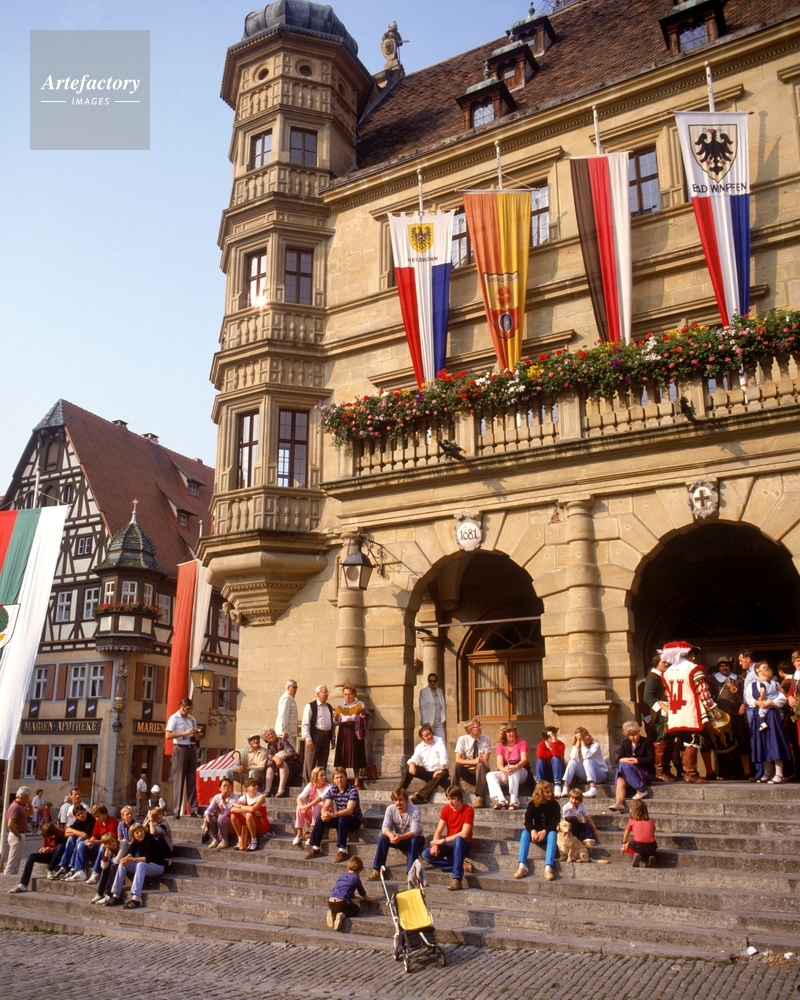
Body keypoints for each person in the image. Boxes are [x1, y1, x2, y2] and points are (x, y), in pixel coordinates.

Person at [662, 640, 718, 783]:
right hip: (691, 711)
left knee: (684, 741)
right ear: (685, 654)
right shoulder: (693, 669)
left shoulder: (667, 672)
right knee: (693, 741)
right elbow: (703, 691)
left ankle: (688, 773)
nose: (694, 657)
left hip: (676, 713)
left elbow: (668, 694)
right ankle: (691, 774)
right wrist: (712, 708)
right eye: (692, 654)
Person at [105, 810, 170, 908]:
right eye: (137, 832)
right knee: (123, 863)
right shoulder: (135, 841)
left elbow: (147, 858)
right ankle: (115, 895)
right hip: (147, 865)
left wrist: (132, 860)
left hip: (157, 866)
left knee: (140, 865)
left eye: (141, 831)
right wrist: (125, 859)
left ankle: (135, 899)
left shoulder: (149, 839)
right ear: (133, 835)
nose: (140, 833)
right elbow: (130, 853)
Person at [420, 784, 474, 891]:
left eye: (453, 798)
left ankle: (457, 879)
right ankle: (460, 866)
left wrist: (442, 841)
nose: (450, 802)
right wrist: (435, 844)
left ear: (460, 798)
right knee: (426, 854)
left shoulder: (468, 810)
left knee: (458, 839)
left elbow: (464, 834)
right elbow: (439, 831)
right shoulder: (446, 809)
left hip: (463, 843)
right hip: (450, 843)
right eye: (448, 799)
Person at [305, 766, 363, 862]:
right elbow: (326, 806)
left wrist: (332, 815)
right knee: (320, 817)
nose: (339, 780)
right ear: (334, 780)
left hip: (354, 819)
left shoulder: (352, 790)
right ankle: (316, 848)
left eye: (341, 777)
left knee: (343, 818)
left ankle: (342, 851)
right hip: (340, 818)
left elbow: (349, 810)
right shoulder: (333, 790)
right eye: (337, 778)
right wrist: (324, 813)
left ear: (346, 777)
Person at [366, 787, 425, 881]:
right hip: (399, 838)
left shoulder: (414, 810)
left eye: (400, 800)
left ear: (406, 800)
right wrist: (391, 836)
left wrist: (400, 837)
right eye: (395, 800)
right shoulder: (390, 809)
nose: (398, 803)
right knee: (383, 838)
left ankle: (411, 874)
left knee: (414, 840)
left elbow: (415, 831)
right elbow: (385, 828)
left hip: (416, 839)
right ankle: (377, 870)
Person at [746, 661, 790, 783]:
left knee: (774, 742)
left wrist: (771, 702)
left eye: (767, 667)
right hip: (759, 716)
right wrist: (757, 702)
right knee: (762, 743)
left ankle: (779, 774)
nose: (766, 669)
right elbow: (748, 699)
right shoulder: (751, 686)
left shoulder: (775, 684)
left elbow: (783, 698)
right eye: (763, 667)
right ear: (757, 670)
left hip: (772, 715)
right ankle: (767, 773)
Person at [709, 656, 752, 780]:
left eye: (727, 665)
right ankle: (722, 772)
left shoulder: (738, 679)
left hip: (737, 715)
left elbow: (745, 695)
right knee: (722, 744)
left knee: (742, 742)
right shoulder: (713, 680)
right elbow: (710, 696)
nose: (725, 667)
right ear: (718, 667)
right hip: (720, 716)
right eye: (722, 665)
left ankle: (747, 771)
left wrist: (744, 704)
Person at [515, 780, 560, 881]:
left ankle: (548, 868)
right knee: (524, 833)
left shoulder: (555, 805)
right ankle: (522, 866)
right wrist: (532, 830)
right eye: (547, 792)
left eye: (551, 791)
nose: (550, 794)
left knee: (553, 834)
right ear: (540, 792)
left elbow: (555, 822)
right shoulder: (532, 804)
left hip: (548, 833)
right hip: (535, 834)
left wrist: (545, 831)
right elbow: (527, 821)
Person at [166, 696, 202, 817]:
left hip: (191, 747)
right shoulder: (174, 718)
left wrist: (197, 734)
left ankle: (193, 809)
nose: (189, 711)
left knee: (192, 779)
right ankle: (176, 810)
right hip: (180, 748)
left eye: (191, 709)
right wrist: (185, 733)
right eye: (187, 709)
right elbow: (168, 735)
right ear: (181, 707)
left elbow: (195, 733)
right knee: (179, 779)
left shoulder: (192, 718)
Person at [642, 657, 677, 782]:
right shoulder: (653, 676)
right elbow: (648, 696)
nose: (666, 664)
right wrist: (660, 709)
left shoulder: (663, 675)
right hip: (661, 714)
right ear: (656, 663)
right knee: (661, 740)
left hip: (669, 712)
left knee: (669, 740)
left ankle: (666, 770)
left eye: (667, 662)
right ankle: (659, 772)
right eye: (663, 662)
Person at [608, 721, 655, 812]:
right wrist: (626, 760)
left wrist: (637, 761)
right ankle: (619, 803)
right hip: (630, 773)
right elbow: (618, 760)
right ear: (628, 736)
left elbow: (651, 760)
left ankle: (641, 790)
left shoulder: (647, 742)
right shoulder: (625, 743)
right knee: (620, 779)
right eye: (632, 735)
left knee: (623, 765)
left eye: (636, 734)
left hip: (645, 773)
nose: (635, 737)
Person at [8, 822, 66, 894]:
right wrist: (43, 850)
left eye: (50, 836)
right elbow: (45, 846)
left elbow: (63, 849)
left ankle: (50, 869)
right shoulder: (46, 835)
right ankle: (23, 884)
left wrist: (52, 850)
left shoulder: (61, 833)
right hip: (49, 856)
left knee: (60, 846)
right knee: (31, 857)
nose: (49, 838)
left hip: (58, 857)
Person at [399, 723, 449, 804]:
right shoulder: (420, 746)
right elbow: (414, 758)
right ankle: (400, 791)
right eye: (426, 735)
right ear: (421, 738)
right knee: (409, 768)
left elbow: (443, 756)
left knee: (440, 776)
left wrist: (441, 769)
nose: (429, 736)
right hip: (427, 772)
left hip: (441, 771)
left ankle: (419, 796)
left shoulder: (439, 740)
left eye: (430, 734)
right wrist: (411, 765)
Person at [66, 804, 117, 880]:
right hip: (99, 843)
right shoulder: (98, 822)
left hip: (110, 846)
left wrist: (95, 842)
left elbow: (111, 840)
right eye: (95, 817)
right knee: (81, 844)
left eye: (98, 816)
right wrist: (90, 841)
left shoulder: (112, 821)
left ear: (105, 813)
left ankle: (96, 872)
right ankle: (79, 871)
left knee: (102, 847)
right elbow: (94, 835)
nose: (97, 818)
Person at [333, 684, 370, 789]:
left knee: (355, 755)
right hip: (343, 730)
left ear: (354, 694)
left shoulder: (359, 704)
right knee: (343, 755)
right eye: (345, 694)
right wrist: (336, 718)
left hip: (355, 730)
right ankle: (342, 779)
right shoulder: (340, 705)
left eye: (349, 694)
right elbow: (336, 722)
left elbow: (364, 718)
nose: (347, 696)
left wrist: (362, 713)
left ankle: (356, 779)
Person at [486, 723, 530, 810]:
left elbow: (524, 760)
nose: (511, 733)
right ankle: (501, 800)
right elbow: (499, 764)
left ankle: (514, 801)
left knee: (514, 771)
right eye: (509, 732)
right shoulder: (500, 745)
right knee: (490, 775)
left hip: (521, 770)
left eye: (512, 731)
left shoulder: (521, 742)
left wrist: (515, 767)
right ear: (504, 734)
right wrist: (505, 770)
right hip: (506, 771)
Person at [48, 803, 94, 879]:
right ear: (76, 817)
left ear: (85, 811)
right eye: (78, 815)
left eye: (82, 813)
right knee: (71, 838)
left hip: (90, 844)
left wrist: (73, 831)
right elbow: (66, 832)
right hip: (82, 843)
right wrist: (75, 832)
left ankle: (73, 868)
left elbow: (85, 835)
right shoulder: (78, 821)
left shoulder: (91, 819)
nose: (81, 815)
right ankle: (63, 867)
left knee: (79, 839)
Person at [453, 718, 492, 808]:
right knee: (455, 765)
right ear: (471, 730)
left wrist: (467, 761)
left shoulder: (486, 739)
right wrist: (473, 761)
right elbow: (458, 759)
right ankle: (453, 795)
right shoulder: (462, 739)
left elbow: (485, 759)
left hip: (482, 772)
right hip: (467, 771)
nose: (481, 728)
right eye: (478, 726)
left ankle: (480, 797)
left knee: (480, 765)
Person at [327, 855, 372, 931]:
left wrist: (351, 894)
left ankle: (332, 912)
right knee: (356, 910)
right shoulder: (356, 878)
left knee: (337, 907)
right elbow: (361, 890)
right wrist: (366, 897)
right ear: (359, 871)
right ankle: (342, 915)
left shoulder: (343, 876)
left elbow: (343, 887)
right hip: (341, 903)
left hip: (330, 902)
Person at [301, 684, 336, 783]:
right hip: (315, 735)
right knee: (310, 763)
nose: (327, 694)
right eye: (325, 692)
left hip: (326, 736)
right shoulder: (310, 706)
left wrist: (333, 738)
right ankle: (307, 786)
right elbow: (305, 724)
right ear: (318, 694)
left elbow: (331, 723)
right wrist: (308, 739)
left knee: (323, 763)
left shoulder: (329, 707)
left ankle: (320, 785)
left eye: (327, 692)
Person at [293, 766, 334, 846]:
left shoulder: (329, 787)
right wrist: (302, 807)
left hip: (325, 815)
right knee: (299, 807)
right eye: (321, 775)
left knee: (316, 805)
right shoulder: (310, 785)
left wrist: (307, 806)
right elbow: (299, 797)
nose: (324, 777)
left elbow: (320, 798)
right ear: (315, 777)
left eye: (324, 775)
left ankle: (313, 834)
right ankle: (299, 834)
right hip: (313, 813)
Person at [562, 727, 608, 797]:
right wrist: (578, 742)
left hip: (600, 774)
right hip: (587, 776)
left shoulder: (595, 744)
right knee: (572, 761)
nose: (587, 737)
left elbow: (586, 756)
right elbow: (573, 757)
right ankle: (565, 787)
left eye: (587, 735)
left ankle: (593, 789)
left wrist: (582, 742)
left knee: (587, 761)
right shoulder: (577, 745)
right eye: (583, 736)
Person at [230, 777, 270, 850]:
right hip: (250, 823)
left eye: (257, 785)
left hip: (262, 824)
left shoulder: (261, 797)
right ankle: (240, 840)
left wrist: (240, 806)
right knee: (233, 816)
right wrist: (248, 810)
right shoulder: (244, 797)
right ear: (247, 788)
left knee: (249, 815)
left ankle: (254, 841)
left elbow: (252, 809)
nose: (256, 786)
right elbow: (233, 809)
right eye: (253, 785)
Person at [262, 727, 303, 797]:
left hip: (293, 766)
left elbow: (291, 752)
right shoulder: (269, 746)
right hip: (279, 769)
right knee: (270, 766)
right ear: (266, 739)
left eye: (271, 733)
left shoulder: (282, 740)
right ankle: (267, 790)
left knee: (282, 763)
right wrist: (275, 758)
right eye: (267, 735)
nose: (270, 736)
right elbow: (269, 756)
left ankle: (281, 790)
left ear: (274, 734)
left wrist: (281, 758)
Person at [621, 798, 658, 868]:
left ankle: (635, 855)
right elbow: (653, 830)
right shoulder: (650, 820)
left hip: (638, 846)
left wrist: (624, 843)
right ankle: (651, 856)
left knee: (628, 847)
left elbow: (626, 832)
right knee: (650, 849)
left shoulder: (632, 820)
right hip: (651, 846)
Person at [203, 777, 239, 848]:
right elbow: (209, 809)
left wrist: (224, 802)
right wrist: (207, 815)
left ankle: (225, 841)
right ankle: (215, 839)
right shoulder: (217, 797)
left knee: (221, 817)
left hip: (230, 823)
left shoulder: (235, 798)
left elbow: (228, 812)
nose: (227, 788)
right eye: (224, 786)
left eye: (229, 786)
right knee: (209, 816)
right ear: (220, 788)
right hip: (219, 822)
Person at [4, 786, 32, 876]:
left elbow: (30, 814)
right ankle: (7, 877)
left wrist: (30, 804)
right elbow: (10, 824)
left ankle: (13, 876)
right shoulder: (15, 807)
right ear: (24, 796)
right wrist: (18, 836)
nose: (28, 798)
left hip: (20, 833)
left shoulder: (21, 806)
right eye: (28, 796)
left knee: (17, 861)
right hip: (16, 834)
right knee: (12, 861)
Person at [535, 726, 566, 796]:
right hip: (547, 772)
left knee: (555, 758)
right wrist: (552, 753)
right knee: (539, 761)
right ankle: (538, 784)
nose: (554, 738)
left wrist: (554, 742)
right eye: (552, 736)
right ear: (546, 739)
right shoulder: (542, 744)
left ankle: (557, 786)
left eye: (555, 735)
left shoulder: (561, 744)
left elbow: (556, 754)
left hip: (559, 772)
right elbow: (539, 755)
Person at [419, 672, 446, 741]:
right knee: (429, 741)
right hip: (428, 721)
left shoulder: (440, 691)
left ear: (437, 681)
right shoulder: (423, 692)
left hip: (439, 721)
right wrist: (425, 721)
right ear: (428, 681)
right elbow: (422, 707)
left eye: (434, 681)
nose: (432, 683)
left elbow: (442, 705)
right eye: (430, 681)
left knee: (441, 741)